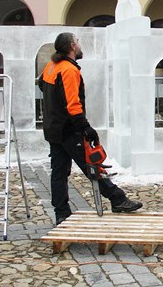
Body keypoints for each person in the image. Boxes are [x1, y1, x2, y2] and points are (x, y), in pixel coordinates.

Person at [38, 32, 142, 225]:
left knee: (59, 173)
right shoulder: (69, 70)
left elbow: (41, 86)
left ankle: (61, 213)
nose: (79, 45)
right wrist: (86, 128)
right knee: (92, 167)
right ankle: (117, 199)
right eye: (77, 42)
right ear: (71, 46)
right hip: (69, 130)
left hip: (53, 129)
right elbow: (72, 104)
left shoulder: (51, 67)